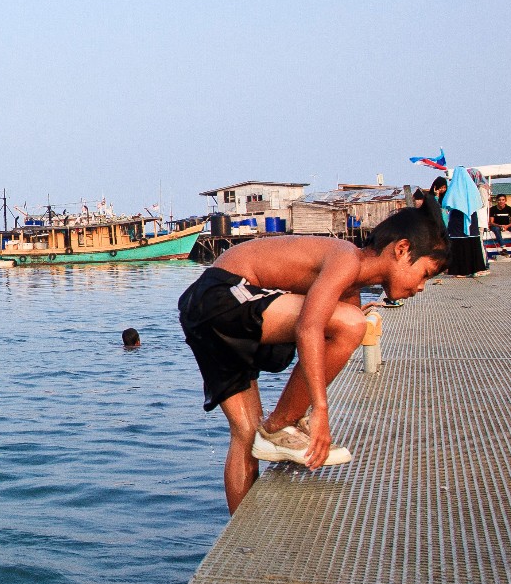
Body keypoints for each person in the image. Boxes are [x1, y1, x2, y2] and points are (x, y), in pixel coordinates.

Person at [177, 202, 449, 513]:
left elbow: (320, 338)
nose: (421, 287)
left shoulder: (351, 286)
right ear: (401, 249)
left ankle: (241, 537)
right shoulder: (346, 259)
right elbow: (309, 327)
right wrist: (320, 409)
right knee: (350, 323)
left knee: (247, 434)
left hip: (203, 310)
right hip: (223, 294)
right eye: (424, 273)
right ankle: (282, 423)